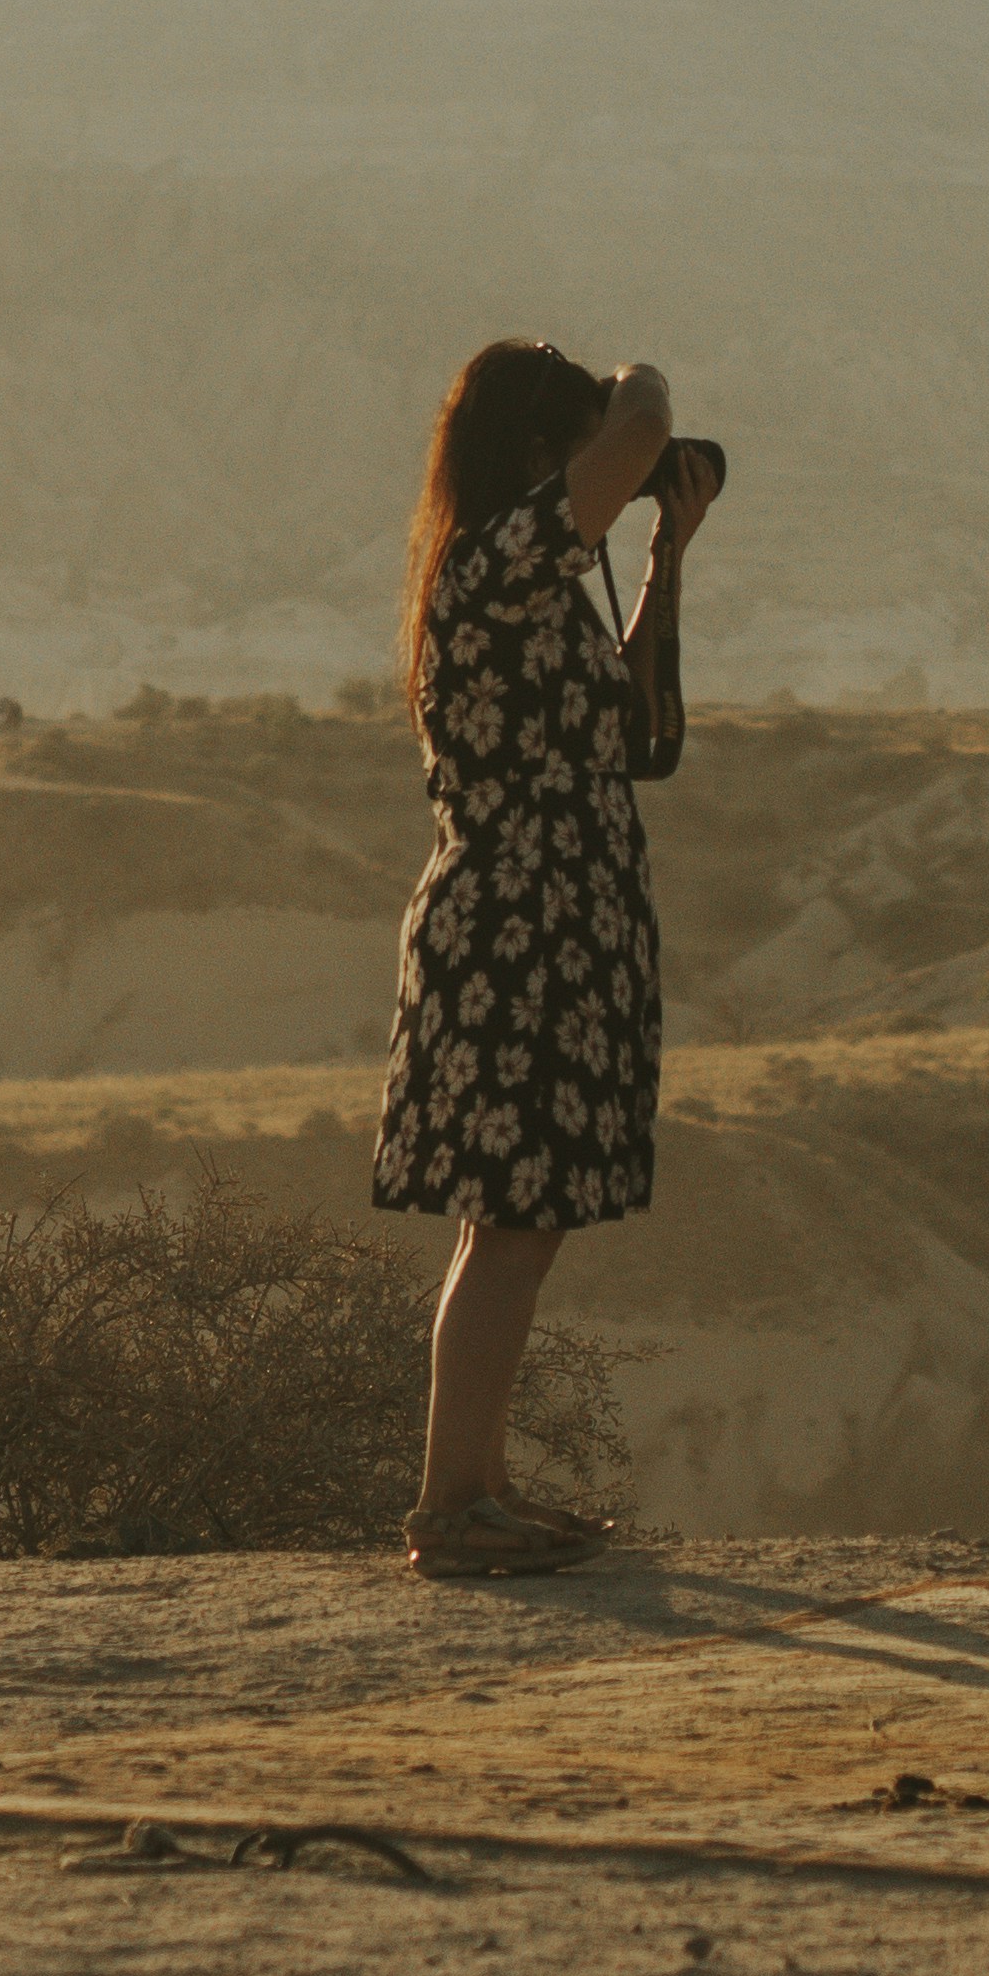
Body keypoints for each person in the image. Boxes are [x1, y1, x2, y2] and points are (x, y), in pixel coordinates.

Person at [370, 340, 721, 1580]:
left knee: (518, 1221)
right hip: (519, 930)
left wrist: (664, 551)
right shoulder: (494, 563)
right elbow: (637, 425)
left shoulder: (529, 579)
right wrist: (638, 388)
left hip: (560, 928)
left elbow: (638, 733)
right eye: (576, 458)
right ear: (536, 450)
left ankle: (475, 1488)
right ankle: (453, 1505)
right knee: (512, 1221)